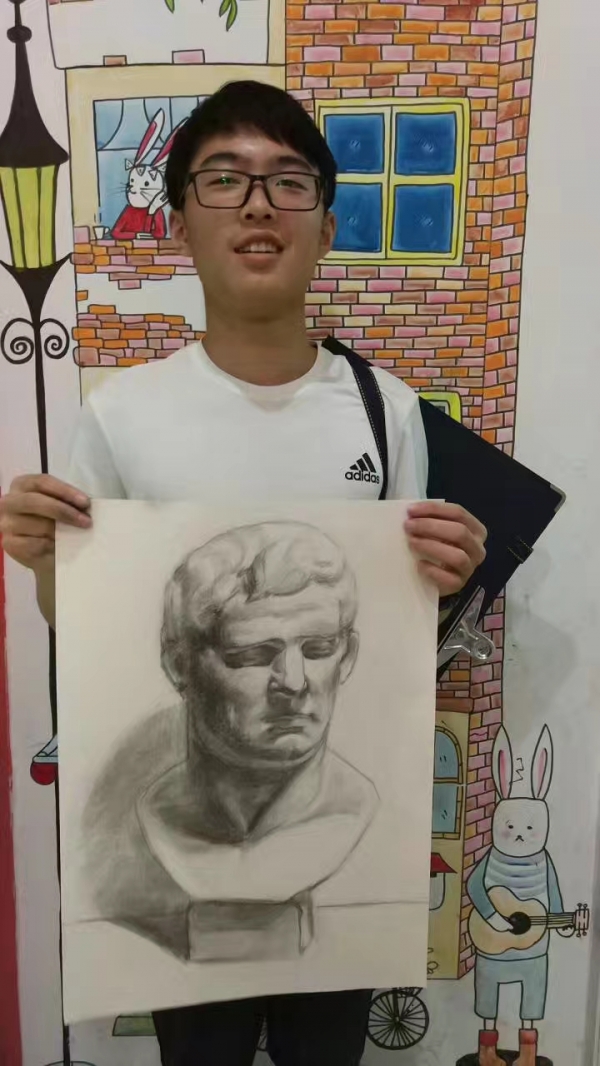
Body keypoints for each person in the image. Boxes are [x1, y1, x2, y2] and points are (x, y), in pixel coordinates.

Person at [0, 80, 486, 1066]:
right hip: (185, 874)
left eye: (288, 181)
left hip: (347, 887)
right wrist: (49, 561)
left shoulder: (386, 410)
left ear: (327, 225)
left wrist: (448, 576)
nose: (258, 205)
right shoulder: (123, 414)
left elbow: (406, 630)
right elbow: (87, 624)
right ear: (180, 221)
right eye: (224, 179)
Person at [83, 521, 379, 964]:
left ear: (347, 656)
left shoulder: (358, 809)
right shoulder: (159, 816)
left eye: (318, 649)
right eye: (253, 654)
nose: (293, 682)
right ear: (180, 666)